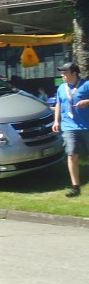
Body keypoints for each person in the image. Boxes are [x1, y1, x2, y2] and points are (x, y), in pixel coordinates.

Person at [52, 61, 89, 196]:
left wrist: (87, 101)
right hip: (68, 126)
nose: (62, 75)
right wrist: (56, 121)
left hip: (86, 126)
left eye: (65, 72)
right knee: (72, 155)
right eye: (62, 73)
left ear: (74, 73)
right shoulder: (61, 88)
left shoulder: (86, 85)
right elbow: (58, 104)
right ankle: (76, 187)